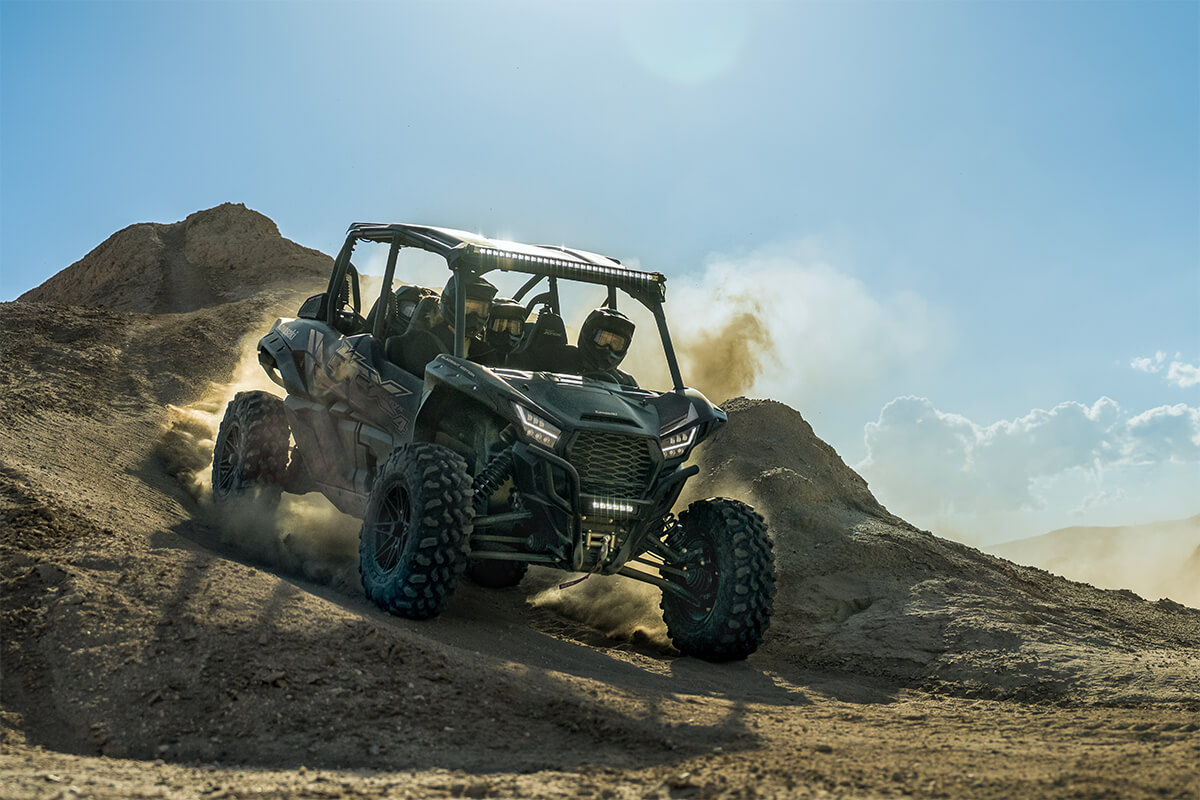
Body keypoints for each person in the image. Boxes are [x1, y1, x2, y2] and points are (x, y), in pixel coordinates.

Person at [388, 273, 497, 374]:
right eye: (466, 308)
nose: (474, 316)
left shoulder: (486, 352)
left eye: (480, 310)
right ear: (450, 305)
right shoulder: (420, 345)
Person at [576, 307, 638, 387]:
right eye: (603, 339)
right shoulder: (560, 365)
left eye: (616, 344)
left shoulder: (626, 383)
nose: (607, 348)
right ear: (588, 336)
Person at [473, 298, 527, 368]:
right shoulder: (472, 356)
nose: (506, 333)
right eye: (500, 326)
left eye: (513, 328)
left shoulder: (525, 364)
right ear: (486, 326)